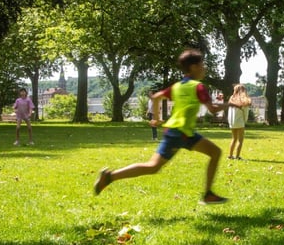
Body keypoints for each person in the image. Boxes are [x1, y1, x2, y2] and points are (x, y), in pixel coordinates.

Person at [93, 49, 228, 205]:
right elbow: (212, 109)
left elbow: (156, 97)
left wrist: (156, 118)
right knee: (152, 167)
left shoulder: (178, 86)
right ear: (193, 67)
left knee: (214, 152)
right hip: (180, 133)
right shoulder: (198, 87)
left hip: (182, 132)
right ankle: (110, 176)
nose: (204, 68)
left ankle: (208, 194)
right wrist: (230, 103)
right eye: (201, 64)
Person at [227, 83, 251, 159]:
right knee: (240, 140)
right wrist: (245, 121)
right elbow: (246, 112)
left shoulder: (231, 98)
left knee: (234, 139)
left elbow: (229, 111)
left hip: (232, 122)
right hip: (240, 122)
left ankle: (230, 155)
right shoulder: (244, 100)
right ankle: (237, 156)